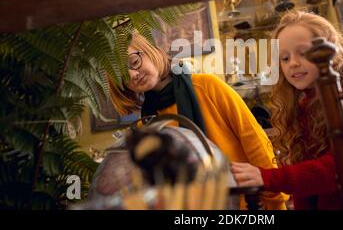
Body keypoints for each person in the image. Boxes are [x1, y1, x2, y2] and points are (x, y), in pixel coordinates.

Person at [231, 11, 343, 210]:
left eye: (303, 53)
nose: (293, 63)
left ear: (332, 53)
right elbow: (307, 191)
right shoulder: (303, 104)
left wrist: (266, 177)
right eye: (284, 58)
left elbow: (338, 169)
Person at [108, 32, 287, 210]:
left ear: (150, 51)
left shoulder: (208, 87)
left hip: (249, 204)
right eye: (123, 76)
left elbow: (255, 142)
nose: (132, 75)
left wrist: (275, 201)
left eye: (134, 62)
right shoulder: (147, 123)